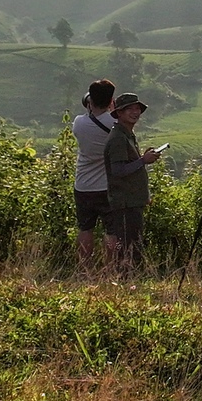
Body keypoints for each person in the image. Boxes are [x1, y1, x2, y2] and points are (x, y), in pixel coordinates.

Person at [103, 94, 161, 271]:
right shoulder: (118, 138)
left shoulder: (126, 134)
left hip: (132, 201)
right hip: (125, 202)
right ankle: (126, 280)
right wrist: (143, 160)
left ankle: (128, 279)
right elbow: (118, 171)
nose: (135, 112)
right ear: (119, 113)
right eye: (130, 109)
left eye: (137, 109)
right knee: (129, 247)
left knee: (133, 244)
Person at [71, 80, 118, 273]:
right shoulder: (114, 124)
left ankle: (84, 269)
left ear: (90, 100)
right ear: (111, 101)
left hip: (83, 185)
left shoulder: (78, 123)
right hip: (106, 186)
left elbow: (89, 117)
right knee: (111, 231)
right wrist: (113, 110)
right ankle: (110, 269)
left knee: (85, 228)